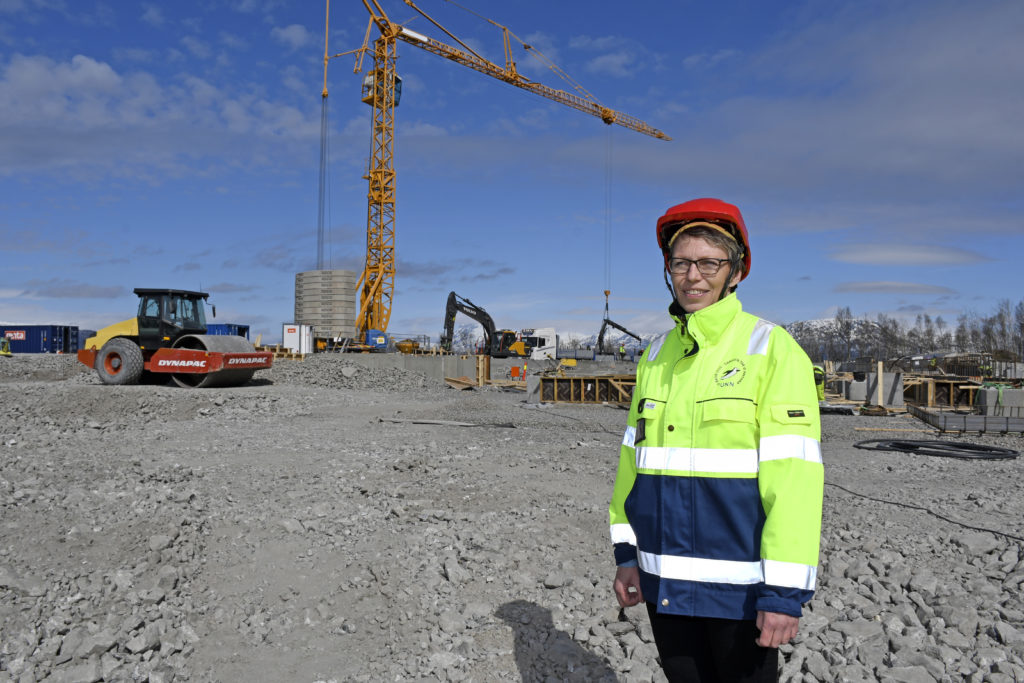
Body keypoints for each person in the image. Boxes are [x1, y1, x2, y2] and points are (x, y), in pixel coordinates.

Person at [609, 198, 824, 682]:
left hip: (739, 591)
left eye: (709, 263)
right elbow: (631, 466)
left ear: (736, 272)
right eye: (681, 263)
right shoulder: (655, 356)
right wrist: (627, 556)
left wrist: (783, 594)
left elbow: (794, 482)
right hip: (664, 581)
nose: (693, 276)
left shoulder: (771, 349)